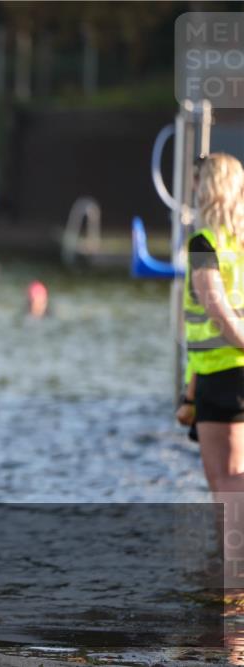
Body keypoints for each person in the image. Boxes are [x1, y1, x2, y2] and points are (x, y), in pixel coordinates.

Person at [180, 154, 244, 618]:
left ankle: (234, 591)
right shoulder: (241, 243)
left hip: (226, 373)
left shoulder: (204, 243)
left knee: (225, 481)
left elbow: (216, 308)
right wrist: (189, 392)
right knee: (231, 482)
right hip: (215, 374)